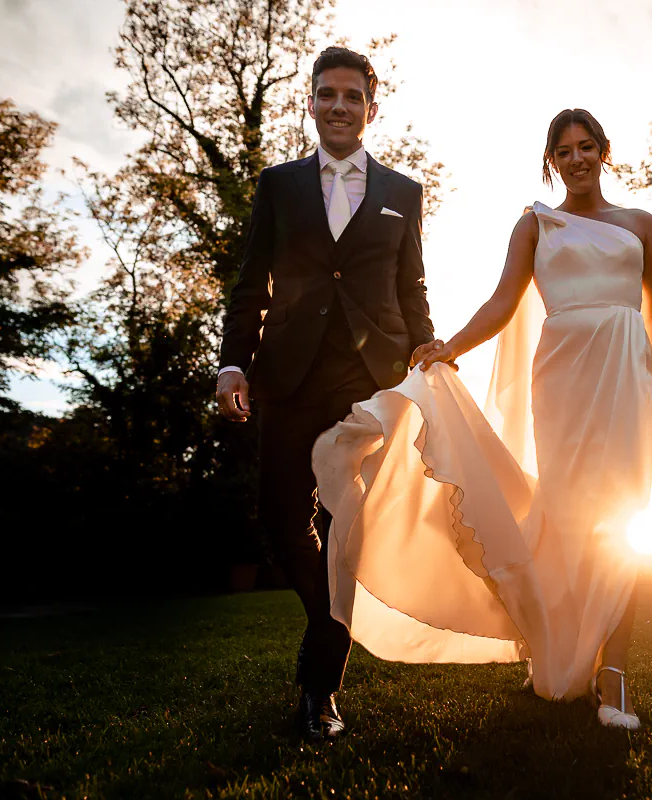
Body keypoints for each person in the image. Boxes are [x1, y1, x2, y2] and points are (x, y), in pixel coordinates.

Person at [312, 108, 652, 730]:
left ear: (604, 151)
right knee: (565, 517)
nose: (576, 159)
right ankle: (559, 645)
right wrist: (449, 346)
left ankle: (614, 674)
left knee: (622, 513)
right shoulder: (536, 224)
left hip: (625, 377)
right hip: (563, 377)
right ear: (551, 161)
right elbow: (504, 301)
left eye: (587, 147)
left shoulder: (640, 224)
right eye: (563, 151)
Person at [215, 46, 443, 742]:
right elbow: (251, 281)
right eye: (327, 94)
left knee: (351, 527)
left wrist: (428, 350)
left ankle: (321, 690)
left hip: (367, 379)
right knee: (282, 518)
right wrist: (232, 364)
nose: (339, 105)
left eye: (352, 95)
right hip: (286, 372)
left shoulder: (403, 193)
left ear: (372, 108)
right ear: (310, 103)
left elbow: (411, 286)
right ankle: (331, 619)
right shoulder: (277, 185)